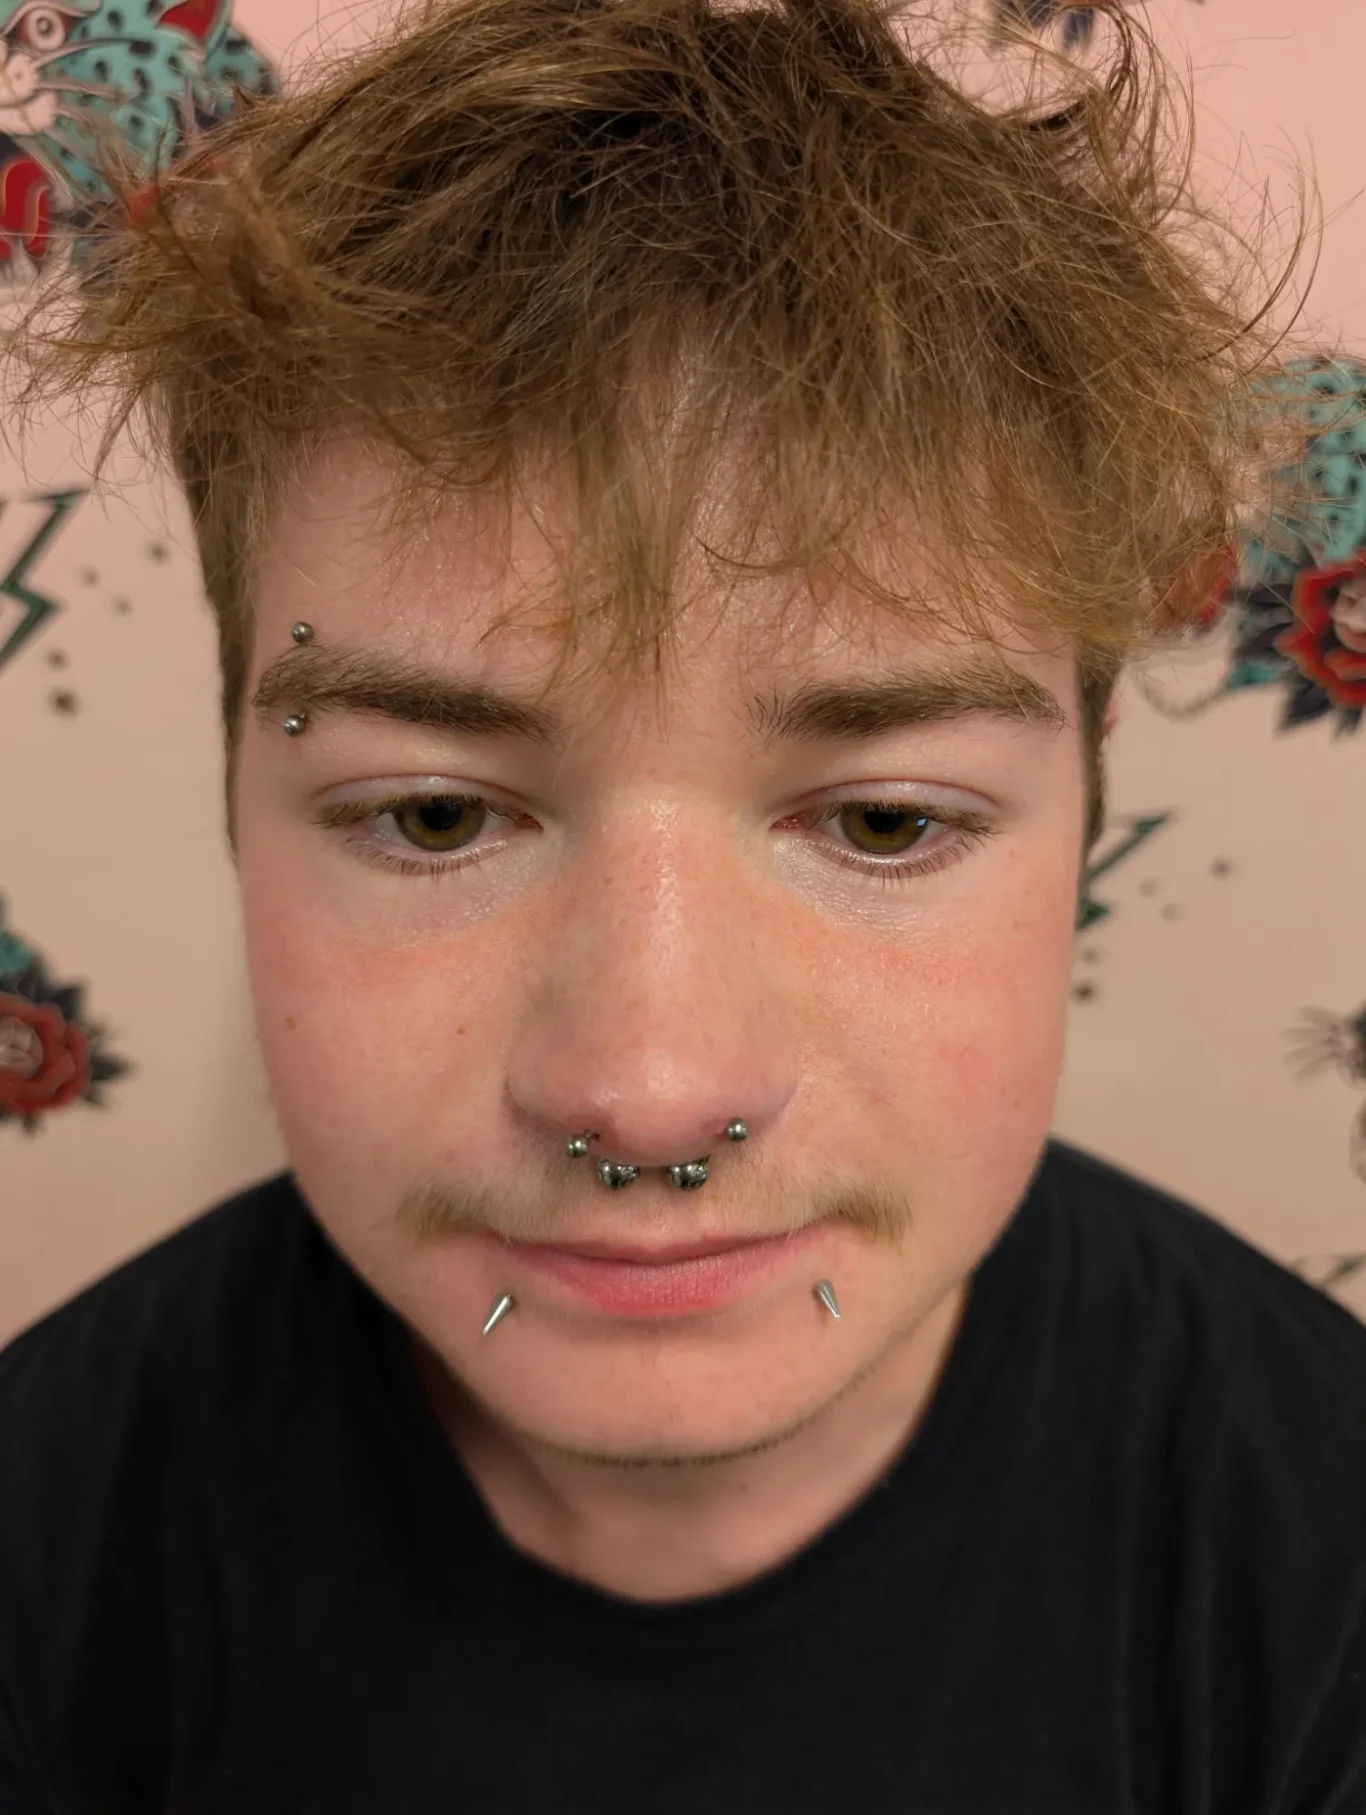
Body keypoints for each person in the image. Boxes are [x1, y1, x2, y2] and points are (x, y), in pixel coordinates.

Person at [3, 0, 1364, 1807]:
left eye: (882, 820)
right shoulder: (44, 1537)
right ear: (244, 802)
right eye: (429, 812)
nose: (647, 1089)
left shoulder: (1319, 1550)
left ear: (1089, 809)